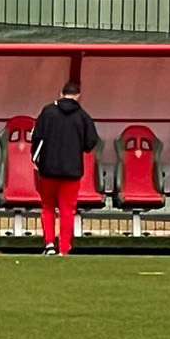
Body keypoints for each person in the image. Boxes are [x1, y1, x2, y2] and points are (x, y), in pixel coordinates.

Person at [30, 81, 99, 257]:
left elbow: (37, 137)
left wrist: (36, 160)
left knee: (47, 207)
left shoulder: (47, 112)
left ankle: (49, 245)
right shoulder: (83, 116)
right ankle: (65, 249)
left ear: (61, 93)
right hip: (72, 171)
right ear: (78, 96)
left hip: (48, 169)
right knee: (68, 210)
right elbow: (91, 142)